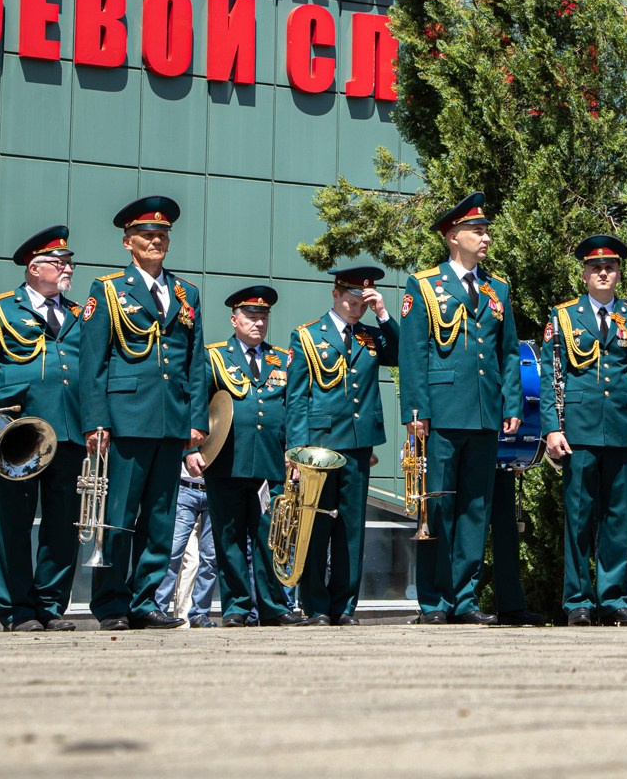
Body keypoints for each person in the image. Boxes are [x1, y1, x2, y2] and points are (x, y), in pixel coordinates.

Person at [77, 195, 208, 632]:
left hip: (171, 419)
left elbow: (195, 362)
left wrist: (196, 420)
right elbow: (93, 361)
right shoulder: (109, 290)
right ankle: (111, 602)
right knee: (119, 514)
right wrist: (96, 420)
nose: (156, 241)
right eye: (147, 235)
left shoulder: (187, 293)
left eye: (162, 235)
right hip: (126, 416)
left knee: (160, 516)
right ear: (127, 242)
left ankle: (145, 599)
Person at [0, 226, 89, 632]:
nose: (67, 268)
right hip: (15, 436)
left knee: (63, 524)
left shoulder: (79, 313)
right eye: (59, 262)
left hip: (68, 432)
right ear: (34, 267)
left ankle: (50, 605)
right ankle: (17, 609)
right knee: (11, 524)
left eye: (69, 262)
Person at [400, 192, 523, 625]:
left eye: (486, 230)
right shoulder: (425, 284)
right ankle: (434, 601)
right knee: (437, 506)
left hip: (486, 414)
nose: (485, 237)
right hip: (440, 413)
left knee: (475, 508)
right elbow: (414, 352)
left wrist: (512, 403)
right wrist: (417, 415)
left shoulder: (497, 288)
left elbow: (507, 352)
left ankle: (466, 598)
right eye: (477, 231)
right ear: (454, 237)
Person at [541, 235, 627, 626]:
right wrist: (552, 428)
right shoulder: (562, 316)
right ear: (584, 275)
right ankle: (577, 600)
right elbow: (552, 376)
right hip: (578, 430)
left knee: (617, 517)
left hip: (623, 431)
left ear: (619, 274)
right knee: (578, 517)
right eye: (595, 268)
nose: (603, 273)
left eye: (610, 268)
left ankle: (612, 597)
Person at [287, 265, 399, 625]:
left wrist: (383, 314)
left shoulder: (369, 336)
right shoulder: (306, 336)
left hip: (358, 445)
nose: (357, 307)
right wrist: (296, 451)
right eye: (352, 300)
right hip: (319, 447)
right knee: (317, 527)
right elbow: (298, 397)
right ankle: (316, 606)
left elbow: (400, 354)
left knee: (351, 528)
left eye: (363, 302)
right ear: (335, 294)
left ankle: (344, 606)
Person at [196, 286, 303, 627]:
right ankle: (237, 608)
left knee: (271, 538)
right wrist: (192, 451)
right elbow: (198, 404)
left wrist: (296, 452)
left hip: (272, 464)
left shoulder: (282, 359)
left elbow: (295, 409)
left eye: (264, 316)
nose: (258, 322)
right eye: (251, 316)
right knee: (227, 540)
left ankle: (273, 608)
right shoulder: (214, 356)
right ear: (234, 319)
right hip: (226, 461)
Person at [154, 459, 215, 627]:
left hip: (215, 488)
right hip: (185, 488)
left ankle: (200, 613)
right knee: (173, 553)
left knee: (210, 557)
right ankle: (158, 608)